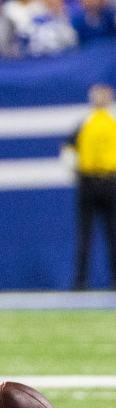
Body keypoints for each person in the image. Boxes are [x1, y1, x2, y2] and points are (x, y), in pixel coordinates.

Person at [70, 84, 116, 290]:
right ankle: (81, 281)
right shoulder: (85, 122)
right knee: (85, 235)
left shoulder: (112, 121)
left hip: (110, 180)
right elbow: (69, 148)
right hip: (88, 181)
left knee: (112, 233)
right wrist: (76, 172)